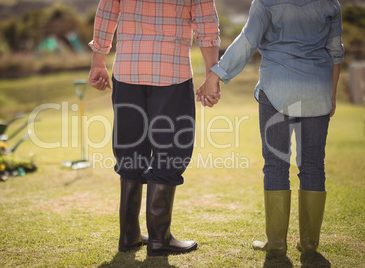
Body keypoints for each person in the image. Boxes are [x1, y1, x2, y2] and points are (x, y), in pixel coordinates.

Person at [197, 0, 344, 256]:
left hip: (276, 89)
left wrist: (216, 74)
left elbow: (247, 40)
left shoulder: (266, 2)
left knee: (276, 163)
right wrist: (331, 94)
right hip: (317, 90)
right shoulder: (330, 3)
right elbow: (335, 51)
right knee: (313, 164)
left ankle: (276, 243)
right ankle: (309, 244)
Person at [88, 0, 220, 256]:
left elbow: (106, 14)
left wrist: (98, 61)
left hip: (127, 71)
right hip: (171, 72)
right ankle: (159, 239)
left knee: (130, 148)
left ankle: (129, 234)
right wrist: (211, 75)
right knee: (171, 150)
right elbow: (206, 26)